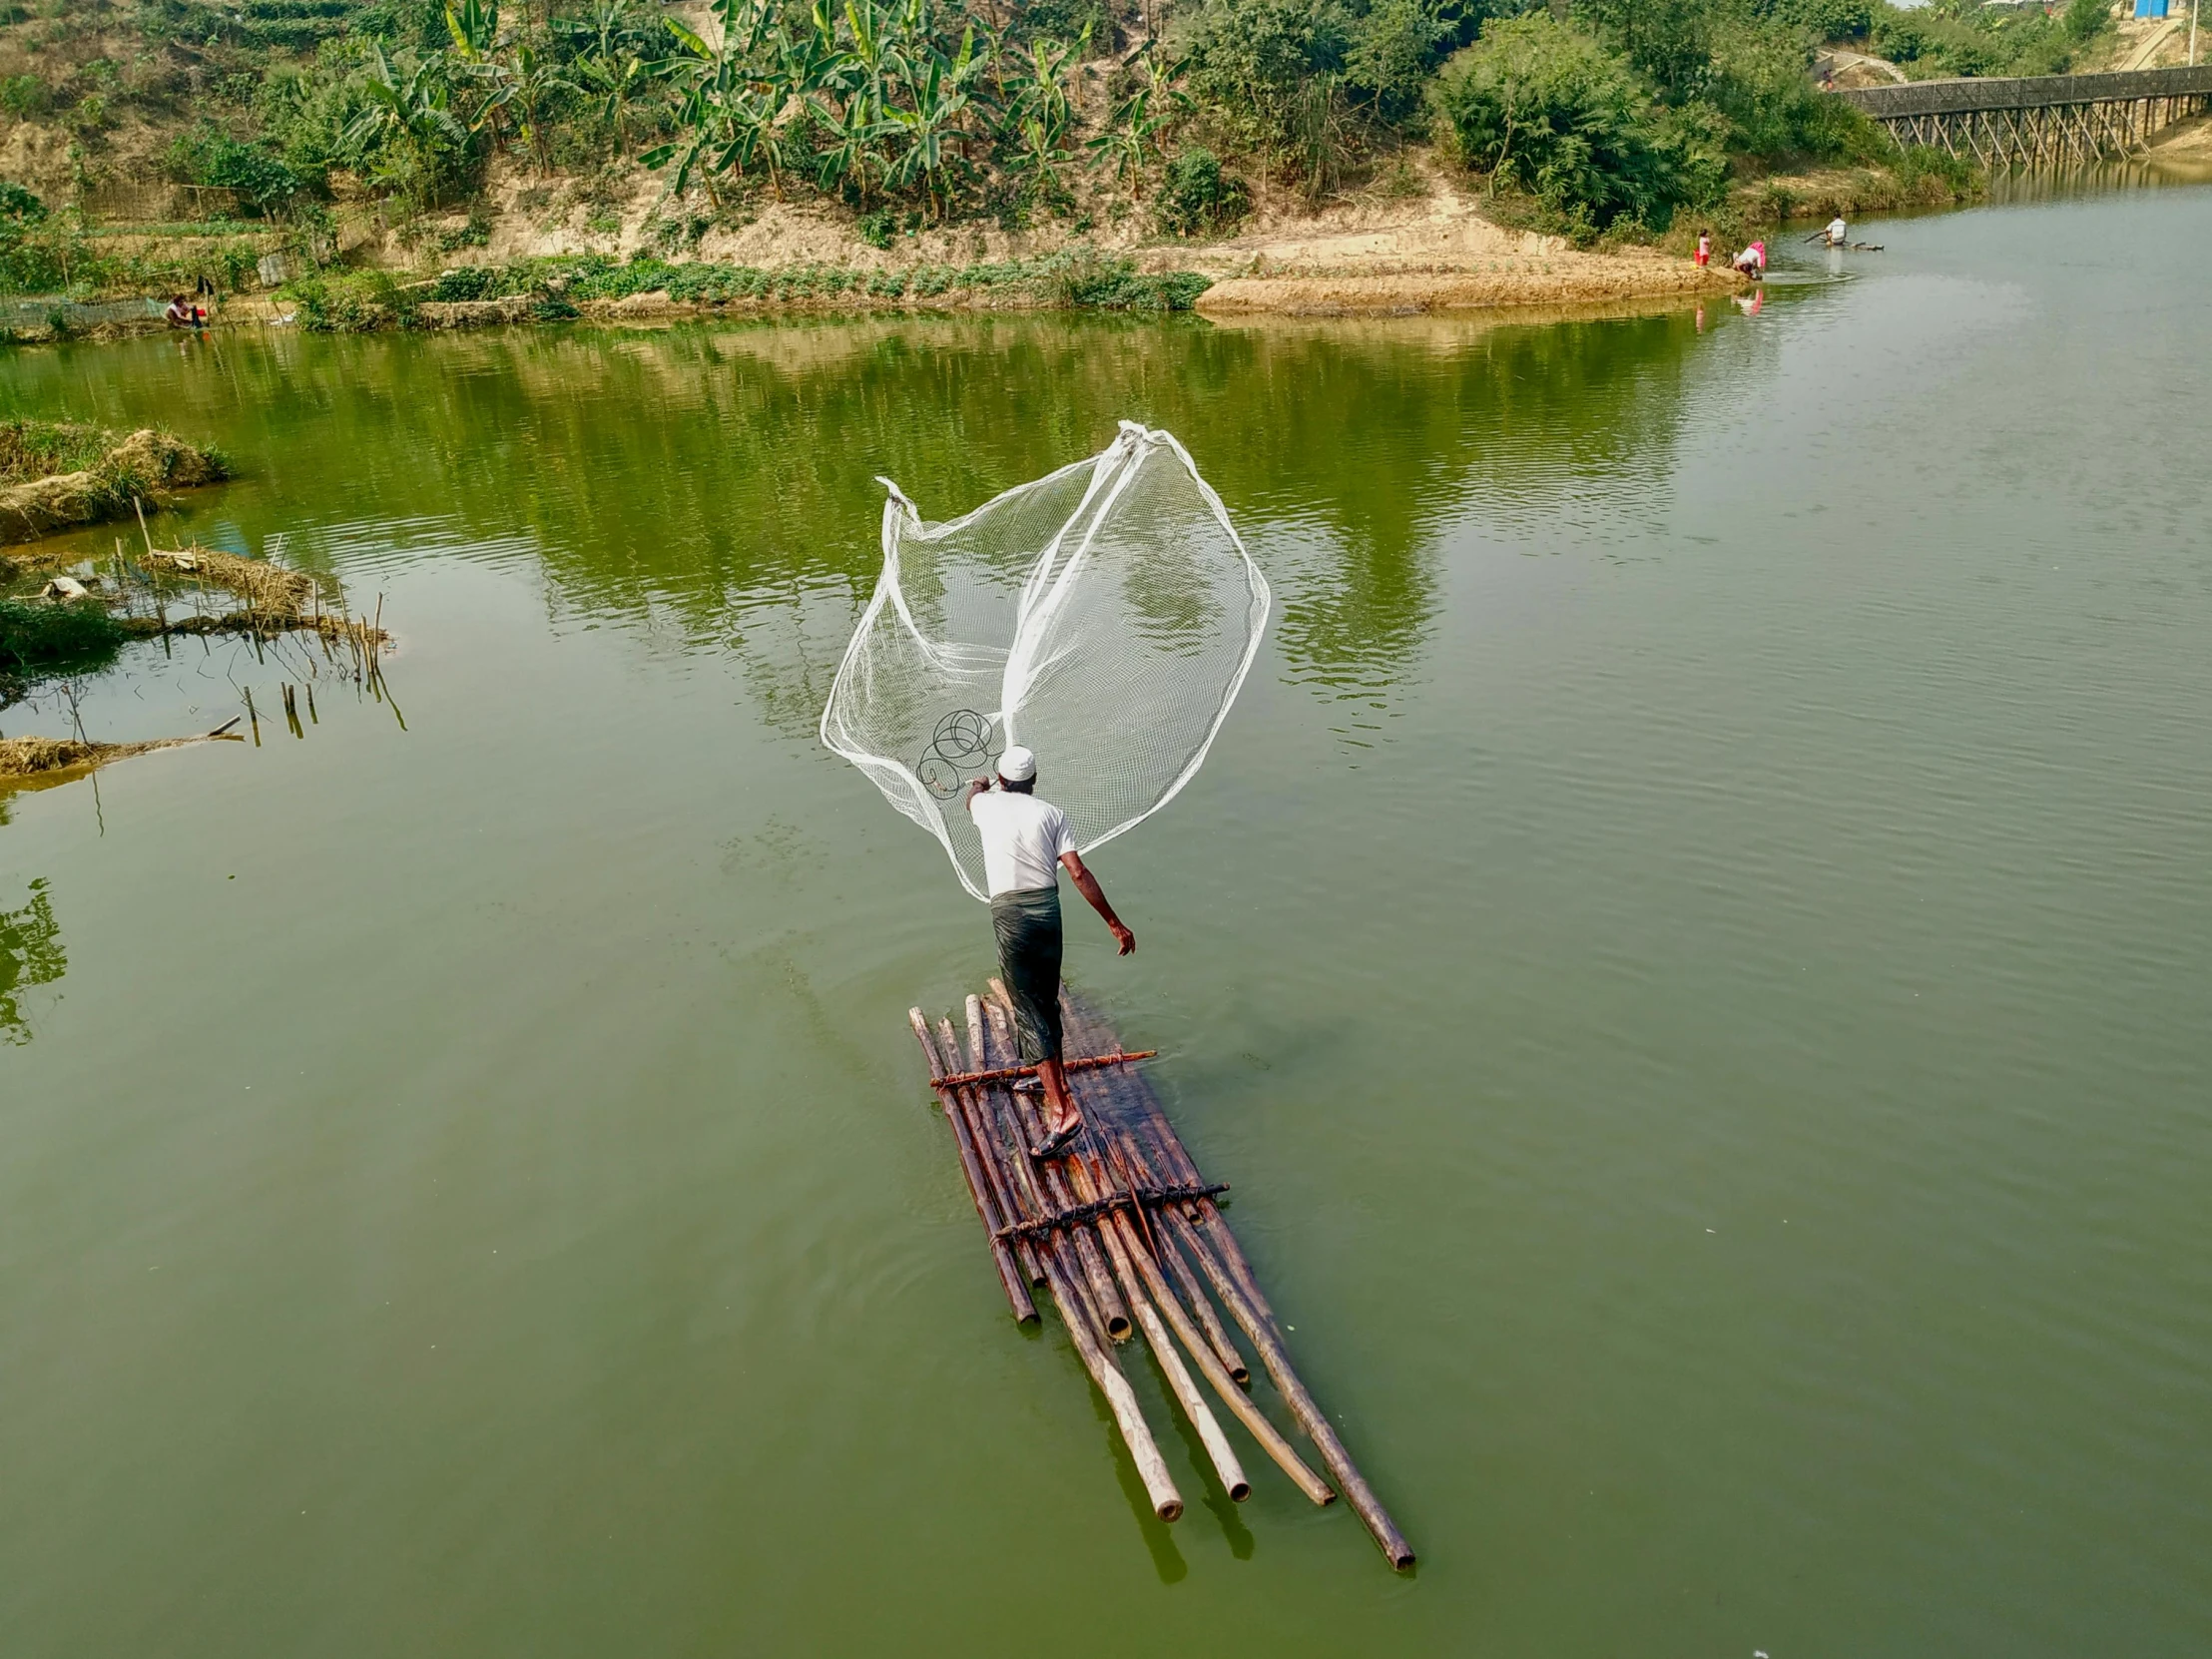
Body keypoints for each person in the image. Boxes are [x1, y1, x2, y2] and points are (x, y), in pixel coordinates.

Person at [964, 745, 1135, 1159]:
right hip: (1048, 912)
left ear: (1003, 781)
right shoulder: (1052, 814)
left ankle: (1063, 1112)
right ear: (1034, 781)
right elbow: (1077, 871)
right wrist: (1115, 923)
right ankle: (1049, 1079)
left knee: (1029, 1010)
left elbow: (971, 797)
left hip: (1014, 917)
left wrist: (979, 783)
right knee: (1046, 1000)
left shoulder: (986, 806)